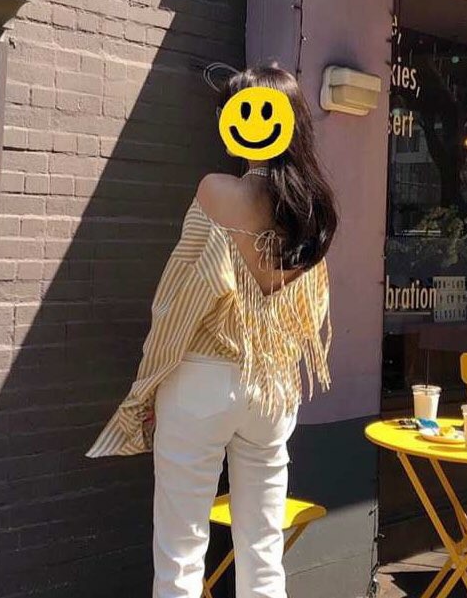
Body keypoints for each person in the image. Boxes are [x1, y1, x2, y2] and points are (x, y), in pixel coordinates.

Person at [87, 65, 338, 598]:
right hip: (272, 387)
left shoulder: (215, 191)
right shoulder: (311, 212)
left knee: (180, 554)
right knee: (263, 553)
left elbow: (180, 302)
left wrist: (149, 385)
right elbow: (311, 316)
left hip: (203, 379)